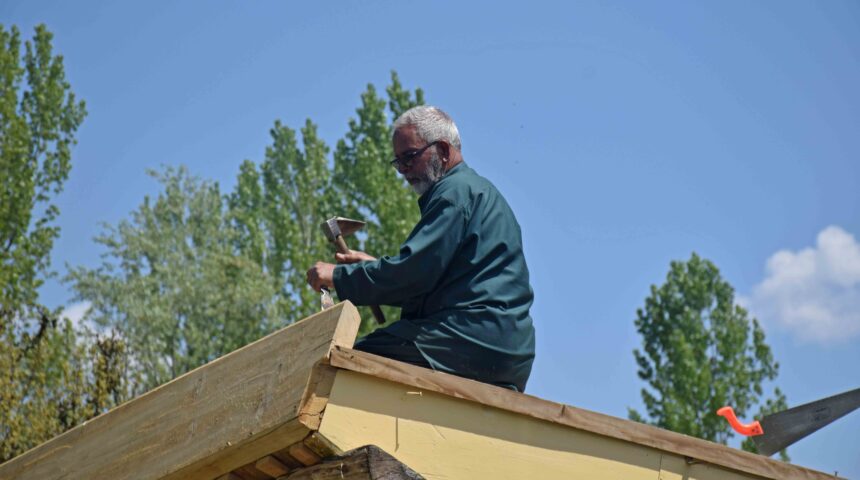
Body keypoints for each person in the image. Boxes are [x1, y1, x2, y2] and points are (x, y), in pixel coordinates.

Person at [306, 106, 535, 392]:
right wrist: (370, 269)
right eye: (397, 162)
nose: (403, 170)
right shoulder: (478, 193)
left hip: (467, 338)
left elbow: (413, 274)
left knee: (344, 364)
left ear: (442, 149)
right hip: (508, 353)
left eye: (410, 157)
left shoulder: (454, 194)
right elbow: (441, 283)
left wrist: (339, 276)